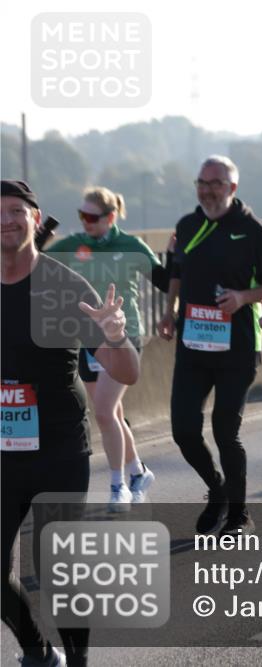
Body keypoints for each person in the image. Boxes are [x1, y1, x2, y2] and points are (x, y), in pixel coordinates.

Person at [3, 179, 140, 667]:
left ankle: (77, 661)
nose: (7, 220)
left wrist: (116, 338)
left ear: (36, 220)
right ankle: (38, 651)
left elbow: (128, 372)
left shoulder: (62, 285)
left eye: (17, 211)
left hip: (58, 450)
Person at [156, 156, 262, 535]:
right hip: (193, 346)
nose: (207, 189)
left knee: (224, 430)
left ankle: (239, 514)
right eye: (202, 182)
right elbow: (177, 272)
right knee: (183, 429)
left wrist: (243, 297)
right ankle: (218, 489)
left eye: (216, 183)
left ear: (232, 188)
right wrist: (169, 311)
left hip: (237, 348)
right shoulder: (188, 224)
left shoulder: (250, 229)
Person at [45, 187, 169, 512]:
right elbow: (32, 261)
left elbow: (167, 281)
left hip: (123, 339)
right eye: (81, 215)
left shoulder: (130, 245)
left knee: (103, 412)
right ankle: (139, 473)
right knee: (110, 414)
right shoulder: (73, 245)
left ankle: (118, 487)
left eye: (92, 216)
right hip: (87, 339)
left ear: (111, 217)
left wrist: (182, 269)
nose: (85, 222)